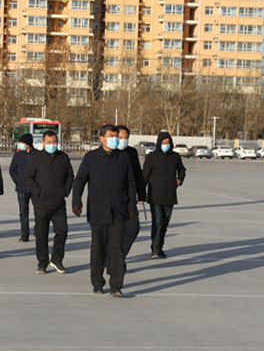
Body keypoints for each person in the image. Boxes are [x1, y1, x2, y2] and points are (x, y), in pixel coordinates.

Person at [72, 124, 136, 297]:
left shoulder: (123, 158)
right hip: (98, 209)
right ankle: (98, 282)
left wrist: (131, 205)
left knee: (117, 248)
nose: (115, 139)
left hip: (118, 209)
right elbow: (80, 180)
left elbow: (130, 183)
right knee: (98, 248)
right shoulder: (91, 157)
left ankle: (116, 285)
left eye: (116, 136)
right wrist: (76, 201)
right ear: (101, 138)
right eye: (111, 136)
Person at [24, 130, 74, 274]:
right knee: (41, 234)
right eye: (49, 142)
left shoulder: (63, 157)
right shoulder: (36, 157)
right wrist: (38, 191)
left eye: (54, 142)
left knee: (62, 231)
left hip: (59, 203)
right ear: (43, 143)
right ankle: (42, 262)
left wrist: (65, 191)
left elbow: (70, 176)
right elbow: (28, 177)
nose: (52, 144)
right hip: (41, 203)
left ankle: (57, 260)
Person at [142, 131, 186, 259]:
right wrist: (140, 193)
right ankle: (155, 248)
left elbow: (182, 170)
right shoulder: (152, 157)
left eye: (168, 143)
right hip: (155, 195)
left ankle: (159, 247)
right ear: (159, 143)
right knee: (158, 221)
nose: (166, 145)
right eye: (163, 143)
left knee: (164, 223)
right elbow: (144, 176)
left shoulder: (175, 157)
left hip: (169, 195)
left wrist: (179, 179)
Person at [115, 125, 146, 263]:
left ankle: (119, 256)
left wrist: (141, 194)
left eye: (126, 137)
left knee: (133, 228)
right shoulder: (108, 152)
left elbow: (138, 174)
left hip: (129, 198)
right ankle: (114, 259)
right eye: (120, 137)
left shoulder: (131, 153)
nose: (123, 140)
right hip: (111, 199)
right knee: (114, 232)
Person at [9, 133, 35, 242]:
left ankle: (39, 230)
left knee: (39, 211)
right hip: (22, 188)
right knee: (23, 212)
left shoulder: (37, 155)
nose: (20, 144)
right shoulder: (18, 155)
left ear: (28, 144)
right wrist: (18, 181)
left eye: (22, 143)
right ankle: (25, 233)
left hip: (35, 188)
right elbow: (12, 170)